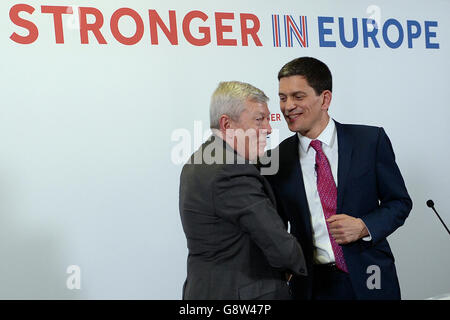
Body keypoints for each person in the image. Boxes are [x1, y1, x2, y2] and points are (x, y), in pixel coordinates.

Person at [265, 57, 412, 300]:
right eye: (282, 97)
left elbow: (399, 203)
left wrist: (364, 226)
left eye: (298, 96)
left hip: (371, 275)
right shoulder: (276, 160)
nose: (288, 106)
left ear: (325, 99)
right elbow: (274, 227)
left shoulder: (369, 141)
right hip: (311, 286)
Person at [179, 81, 307, 300]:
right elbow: (278, 244)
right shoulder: (231, 170)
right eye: (259, 120)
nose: (268, 129)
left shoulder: (202, 158)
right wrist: (301, 266)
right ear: (227, 125)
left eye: (268, 119)